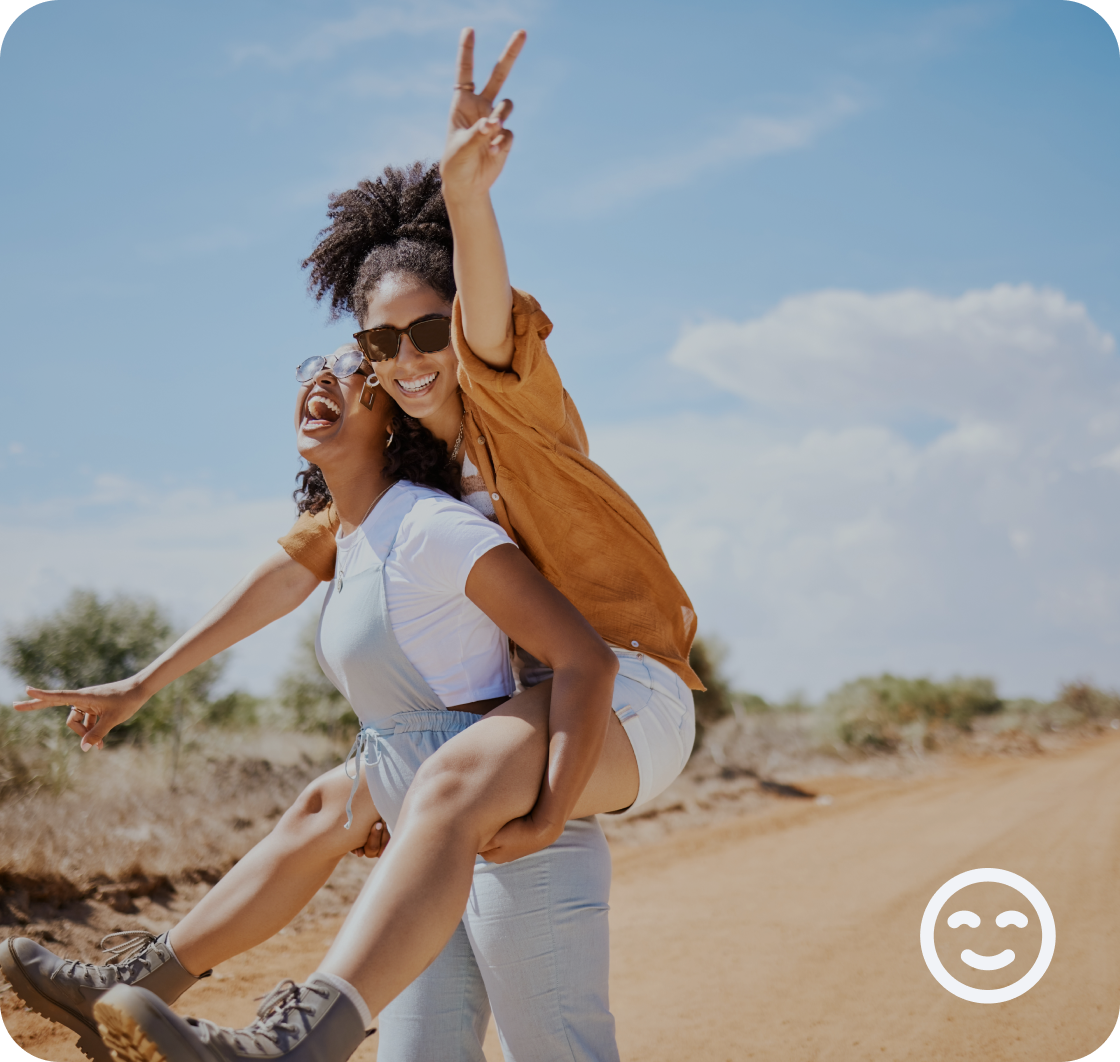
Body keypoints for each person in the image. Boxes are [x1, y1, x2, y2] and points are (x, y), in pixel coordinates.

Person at [6, 26, 701, 1062]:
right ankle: (138, 982)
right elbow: (287, 571)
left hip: (625, 690)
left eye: (430, 333)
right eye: (384, 344)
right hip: (521, 716)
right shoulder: (406, 486)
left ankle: (289, 1042)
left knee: (462, 808)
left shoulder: (516, 411)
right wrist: (141, 684)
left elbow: (487, 316)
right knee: (341, 793)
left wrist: (468, 189)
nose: (414, 359)